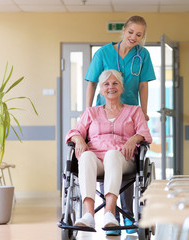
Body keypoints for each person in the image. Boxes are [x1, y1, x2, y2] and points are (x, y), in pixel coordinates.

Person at [84, 15, 156, 235]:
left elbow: (143, 85)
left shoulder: (142, 55)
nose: (133, 37)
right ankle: (110, 217)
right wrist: (88, 111)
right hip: (104, 111)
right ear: (123, 30)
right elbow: (92, 82)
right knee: (103, 153)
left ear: (143, 37)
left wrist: (143, 111)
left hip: (130, 114)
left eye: (139, 35)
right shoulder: (103, 53)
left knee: (123, 155)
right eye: (131, 32)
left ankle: (126, 216)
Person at [65, 70, 152, 232]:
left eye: (115, 83)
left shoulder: (134, 111)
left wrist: (134, 139)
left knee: (112, 154)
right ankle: (88, 215)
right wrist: (79, 140)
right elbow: (74, 132)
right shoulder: (91, 112)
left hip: (123, 159)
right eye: (106, 84)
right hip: (97, 160)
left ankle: (109, 213)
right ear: (101, 89)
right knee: (85, 156)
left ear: (121, 87)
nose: (111, 87)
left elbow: (145, 134)